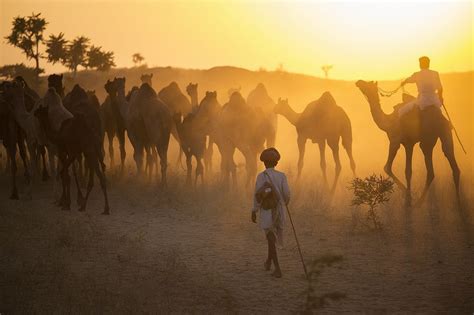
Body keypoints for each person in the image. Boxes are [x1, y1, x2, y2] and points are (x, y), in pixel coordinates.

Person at [251, 147, 290, 278]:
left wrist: (254, 210)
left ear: (264, 163)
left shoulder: (261, 176)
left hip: (266, 210)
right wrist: (285, 203)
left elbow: (257, 195)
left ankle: (277, 268)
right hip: (279, 210)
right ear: (276, 163)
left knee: (270, 237)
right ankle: (268, 262)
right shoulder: (282, 176)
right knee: (271, 237)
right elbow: (287, 194)